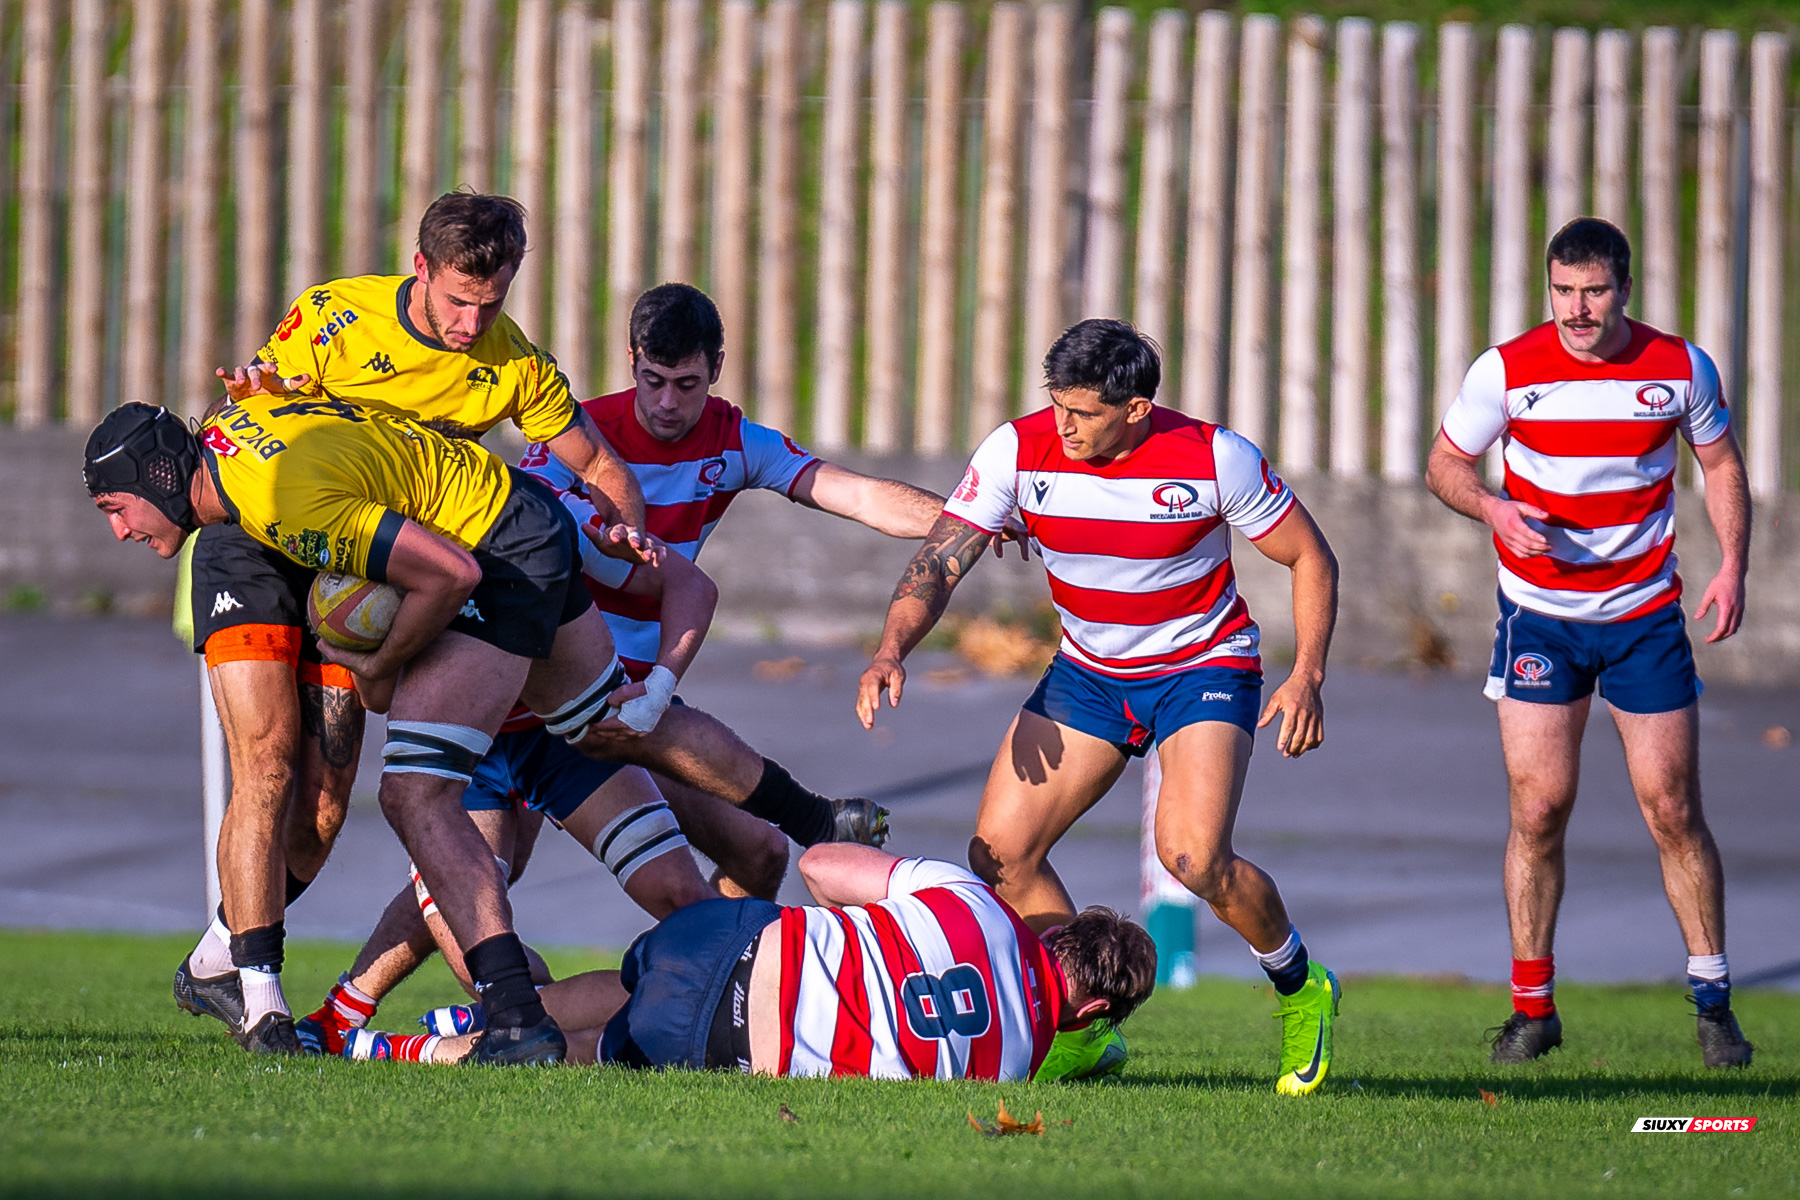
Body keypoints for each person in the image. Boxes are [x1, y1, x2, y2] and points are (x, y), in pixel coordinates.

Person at [171, 191, 651, 1054]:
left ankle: (217, 951)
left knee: (320, 811)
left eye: (491, 302)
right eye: (458, 300)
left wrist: (624, 520)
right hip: (264, 542)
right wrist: (259, 390)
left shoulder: (514, 366)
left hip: (363, 579)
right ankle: (262, 994)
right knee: (270, 765)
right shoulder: (336, 318)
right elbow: (262, 404)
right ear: (420, 269)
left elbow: (601, 464)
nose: (472, 323)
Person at [87, 395, 669, 1066]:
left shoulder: (279, 500)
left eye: (116, 510)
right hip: (526, 520)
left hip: (498, 550)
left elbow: (451, 573)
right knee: (608, 724)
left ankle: (514, 1019)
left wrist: (380, 661)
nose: (120, 532)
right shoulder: (237, 439)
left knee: (415, 795)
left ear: (159, 478)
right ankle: (792, 822)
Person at [856, 319, 1345, 1095]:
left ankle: (1301, 987)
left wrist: (1308, 675)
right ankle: (1088, 1025)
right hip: (1089, 674)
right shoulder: (1016, 451)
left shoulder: (1215, 457)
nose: (1064, 426)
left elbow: (1309, 555)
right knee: (999, 859)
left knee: (1192, 857)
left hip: (1203, 667)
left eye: (1082, 412)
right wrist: (891, 651)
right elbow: (939, 560)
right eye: (1057, 405)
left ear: (1138, 408)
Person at [1425, 217, 1754, 1068]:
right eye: (1564, 291)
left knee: (1672, 808)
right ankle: (1533, 1011)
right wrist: (1496, 508)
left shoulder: (1679, 368)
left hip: (1644, 617)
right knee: (1538, 809)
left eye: (1595, 291)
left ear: (1625, 291)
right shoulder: (1505, 370)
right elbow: (1444, 466)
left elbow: (1719, 463)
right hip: (1540, 616)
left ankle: (1714, 1005)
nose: (1578, 309)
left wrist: (1731, 568)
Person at [344, 844, 1158, 1082]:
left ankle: (480, 1000)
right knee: (601, 1047)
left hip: (724, 936)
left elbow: (822, 865)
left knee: (629, 982)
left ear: (1054, 936)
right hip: (729, 1042)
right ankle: (404, 1051)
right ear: (1089, 1013)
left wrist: (867, 937)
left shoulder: (972, 899)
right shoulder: (1012, 1064)